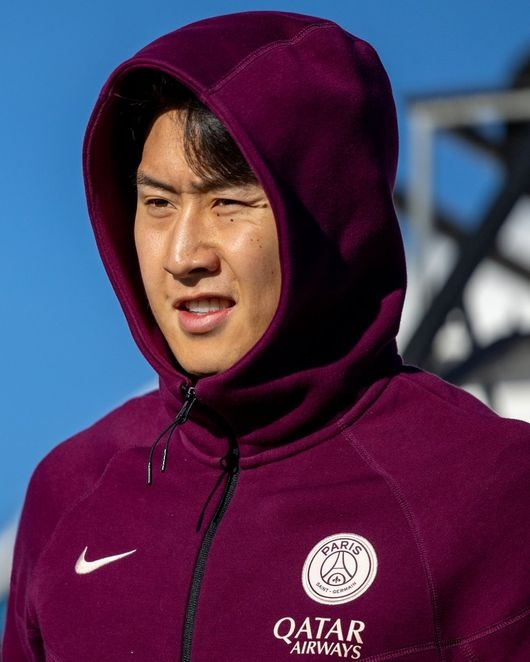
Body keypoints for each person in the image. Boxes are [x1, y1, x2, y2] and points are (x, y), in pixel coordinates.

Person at [3, 11, 529, 661]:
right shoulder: (70, 490)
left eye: (227, 202)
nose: (183, 255)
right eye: (158, 203)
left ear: (328, 215)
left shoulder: (492, 489)